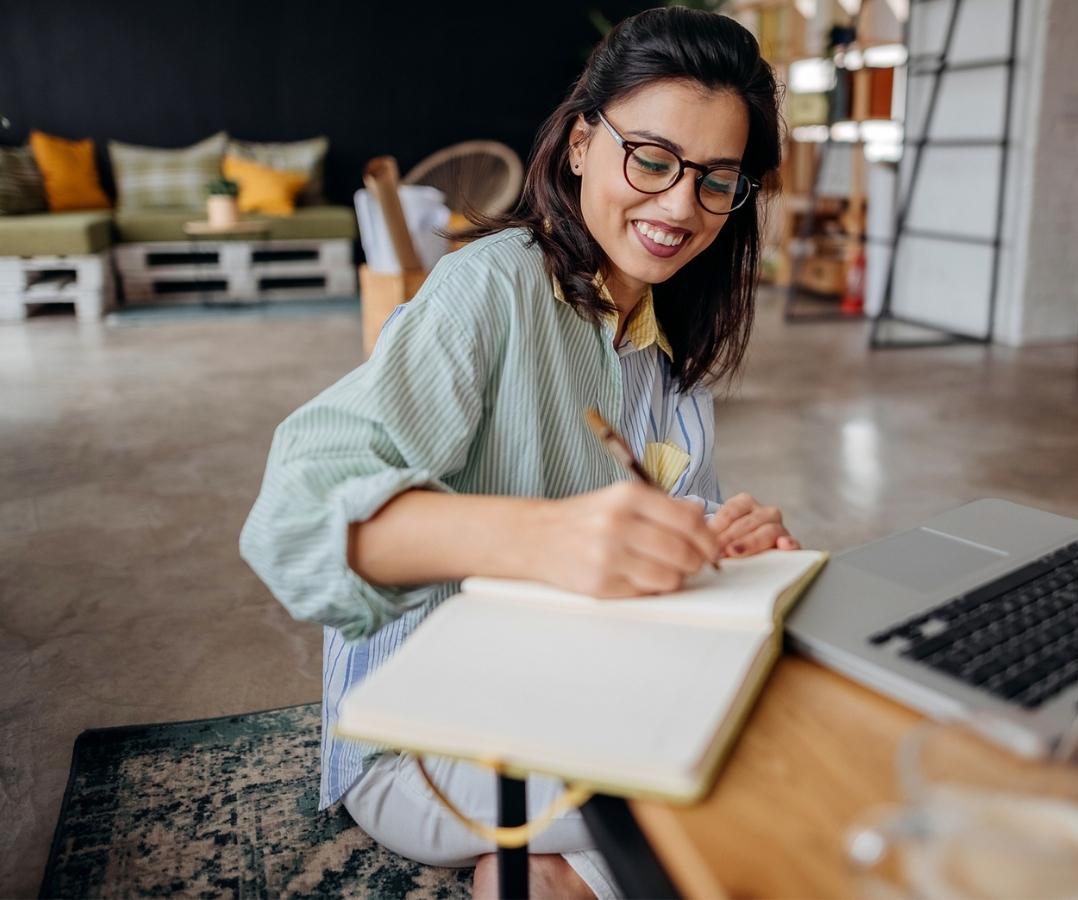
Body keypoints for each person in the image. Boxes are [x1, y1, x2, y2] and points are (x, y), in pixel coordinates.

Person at [241, 7, 795, 898]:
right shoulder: (485, 289)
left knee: (776, 722)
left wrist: (716, 542)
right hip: (428, 729)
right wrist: (539, 541)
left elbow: (664, 529)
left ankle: (545, 873)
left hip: (578, 682)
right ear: (581, 144)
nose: (680, 206)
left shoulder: (667, 332)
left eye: (717, 181)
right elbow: (293, 518)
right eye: (651, 159)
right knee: (749, 789)